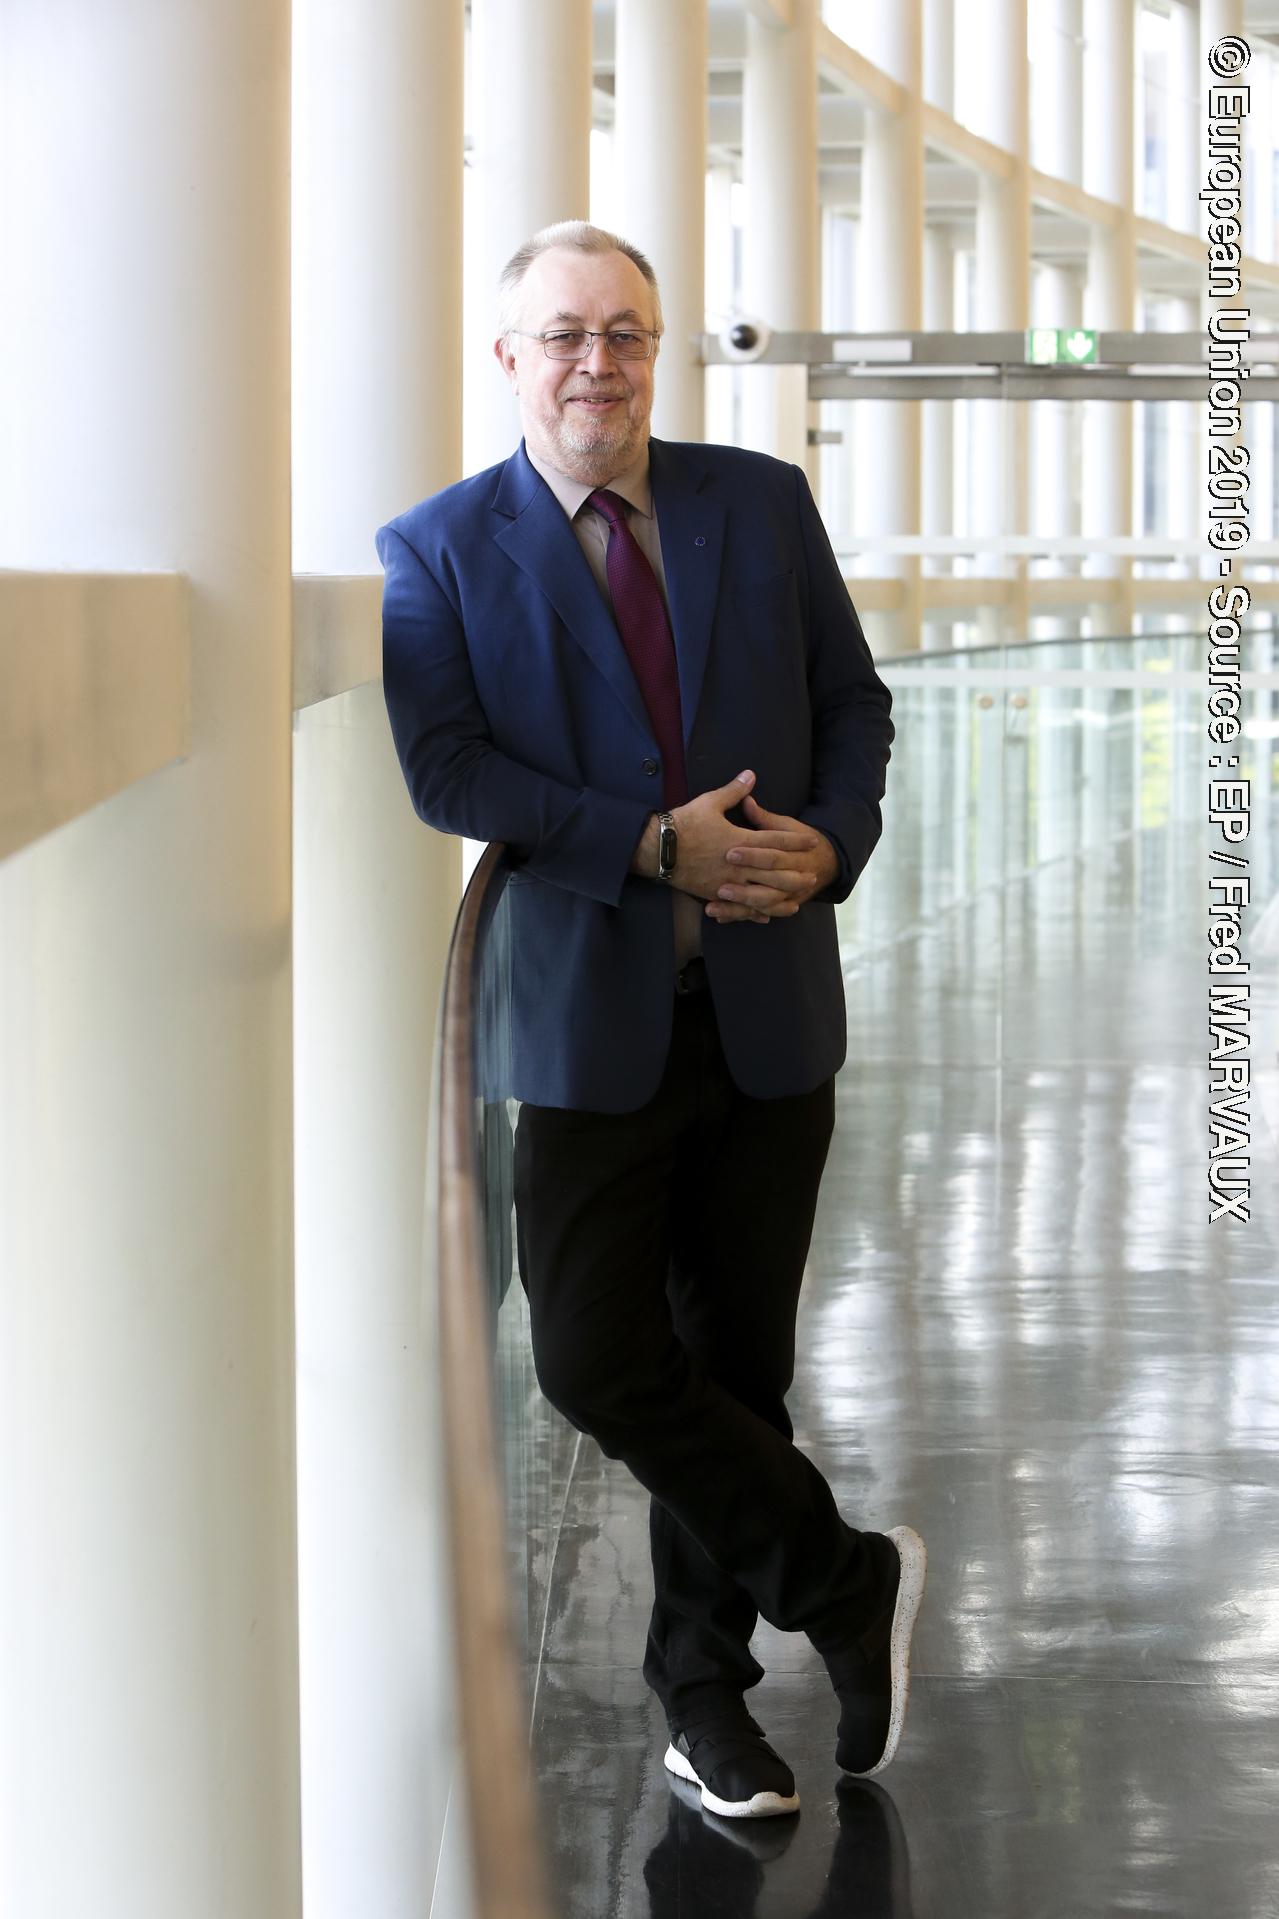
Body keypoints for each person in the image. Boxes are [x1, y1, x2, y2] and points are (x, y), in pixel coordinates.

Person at [378, 220, 926, 1821]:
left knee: (736, 1369)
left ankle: (706, 1701)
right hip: (584, 1024)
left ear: (657, 348)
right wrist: (643, 844)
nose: (596, 363)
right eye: (563, 335)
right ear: (509, 360)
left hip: (767, 1010)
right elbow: (450, 771)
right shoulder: (439, 547)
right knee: (603, 1360)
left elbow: (853, 704)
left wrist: (834, 839)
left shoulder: (758, 502)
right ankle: (841, 1574)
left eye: (624, 333)